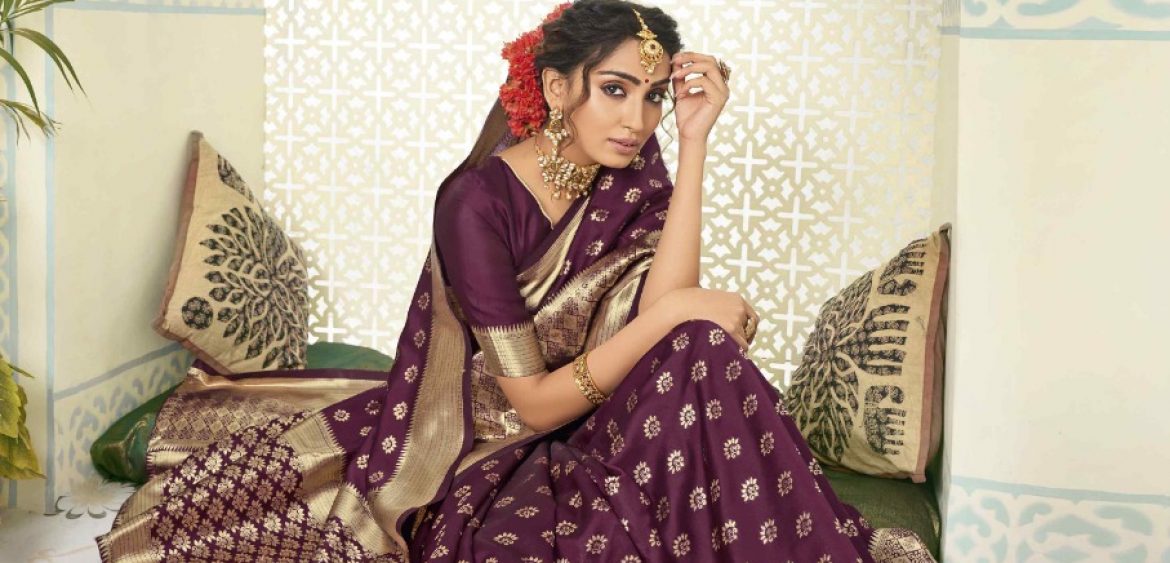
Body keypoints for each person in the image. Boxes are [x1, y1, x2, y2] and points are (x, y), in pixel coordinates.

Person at [97, 1, 936, 561]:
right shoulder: (476, 202)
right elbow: (531, 403)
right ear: (557, 86)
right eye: (615, 91)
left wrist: (694, 141)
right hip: (490, 437)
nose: (636, 119)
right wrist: (676, 316)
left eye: (652, 97)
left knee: (703, 351)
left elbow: (662, 312)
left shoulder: (635, 165)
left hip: (605, 408)